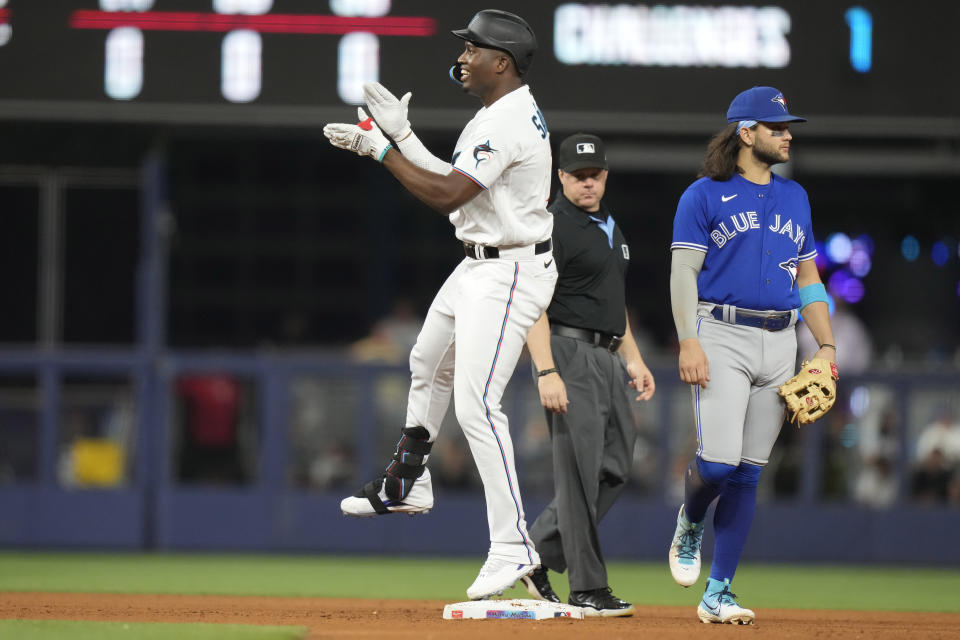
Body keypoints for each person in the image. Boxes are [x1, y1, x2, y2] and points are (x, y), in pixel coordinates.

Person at [323, 10, 556, 601]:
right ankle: (409, 479)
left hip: (510, 269)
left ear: (500, 62)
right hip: (480, 262)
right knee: (427, 361)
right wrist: (400, 139)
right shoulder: (495, 112)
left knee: (479, 403)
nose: (463, 57)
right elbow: (456, 184)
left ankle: (513, 546)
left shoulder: (504, 121)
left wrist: (383, 154)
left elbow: (447, 194)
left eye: (473, 49)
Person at [666, 86, 837, 624]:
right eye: (777, 126)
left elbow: (807, 278)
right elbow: (682, 273)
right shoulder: (703, 195)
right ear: (746, 133)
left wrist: (826, 345)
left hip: (781, 340)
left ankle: (719, 592)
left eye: (788, 126)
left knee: (747, 473)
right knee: (717, 464)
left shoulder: (796, 198)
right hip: (721, 334)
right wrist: (687, 339)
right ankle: (691, 520)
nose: (787, 134)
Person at [519, 133, 655, 616]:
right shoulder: (551, 224)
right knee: (578, 474)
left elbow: (611, 305)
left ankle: (532, 551)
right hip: (567, 351)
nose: (587, 182)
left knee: (616, 465)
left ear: (605, 176)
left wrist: (633, 358)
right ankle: (588, 588)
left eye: (594, 174)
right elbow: (531, 301)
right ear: (560, 177)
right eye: (577, 175)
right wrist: (546, 370)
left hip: (606, 354)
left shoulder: (609, 226)